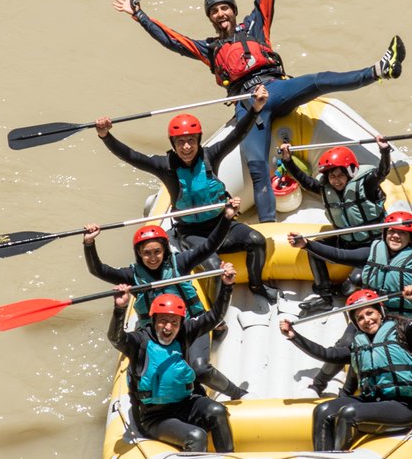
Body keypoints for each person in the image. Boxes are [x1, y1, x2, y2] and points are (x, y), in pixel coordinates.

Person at [113, 0, 406, 222]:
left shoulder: (256, 26)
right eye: (214, 11)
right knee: (256, 165)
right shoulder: (209, 49)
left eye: (224, 7)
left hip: (275, 88)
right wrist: (139, 15)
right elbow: (172, 40)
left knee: (319, 81)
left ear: (234, 11)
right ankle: (268, 228)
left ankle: (378, 70)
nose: (220, 13)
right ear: (211, 19)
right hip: (248, 105)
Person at [95, 82, 278, 302]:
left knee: (257, 241)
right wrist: (106, 136)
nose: (187, 147)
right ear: (173, 144)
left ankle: (257, 284)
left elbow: (238, 135)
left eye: (191, 141)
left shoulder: (211, 155)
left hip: (222, 224)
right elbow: (132, 157)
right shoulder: (165, 166)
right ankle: (216, 313)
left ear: (198, 141)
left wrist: (255, 108)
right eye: (180, 142)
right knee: (213, 266)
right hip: (193, 233)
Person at [83, 200, 247, 400]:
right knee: (159, 373)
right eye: (147, 253)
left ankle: (237, 393)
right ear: (139, 254)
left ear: (165, 250)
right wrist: (89, 243)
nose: (153, 258)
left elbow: (209, 246)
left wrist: (227, 217)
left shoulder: (180, 262)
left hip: (189, 324)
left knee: (199, 369)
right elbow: (98, 270)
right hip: (155, 332)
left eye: (157, 252)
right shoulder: (131, 276)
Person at [288, 207, 412, 394]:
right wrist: (307, 244)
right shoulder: (372, 252)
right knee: (345, 345)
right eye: (392, 231)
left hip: (404, 319)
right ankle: (318, 384)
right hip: (372, 314)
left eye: (402, 233)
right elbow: (339, 256)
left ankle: (349, 392)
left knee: (376, 348)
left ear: (411, 238)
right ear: (385, 232)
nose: (395, 236)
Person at [108, 263, 238, 453]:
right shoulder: (139, 342)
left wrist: (227, 286)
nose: (168, 328)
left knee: (218, 412)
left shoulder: (184, 332)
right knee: (196, 435)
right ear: (154, 320)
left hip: (186, 403)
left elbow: (214, 316)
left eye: (174, 323)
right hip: (154, 417)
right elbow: (115, 338)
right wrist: (120, 309)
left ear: (180, 323)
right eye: (163, 321)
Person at [279, 288, 412, 451]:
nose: (366, 320)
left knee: (349, 413)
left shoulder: (403, 331)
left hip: (405, 405)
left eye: (370, 313)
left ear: (380, 312)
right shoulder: (358, 345)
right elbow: (327, 354)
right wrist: (293, 335)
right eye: (360, 318)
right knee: (322, 410)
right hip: (373, 401)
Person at [277, 136, 392, 314]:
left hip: (374, 244)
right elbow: (305, 181)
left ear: (350, 172)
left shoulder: (367, 185)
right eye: (332, 176)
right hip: (346, 242)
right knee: (313, 249)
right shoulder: (326, 189)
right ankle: (325, 298)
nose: (336, 181)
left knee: (349, 288)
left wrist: (384, 151)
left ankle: (348, 288)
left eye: (340, 175)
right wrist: (288, 161)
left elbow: (382, 172)